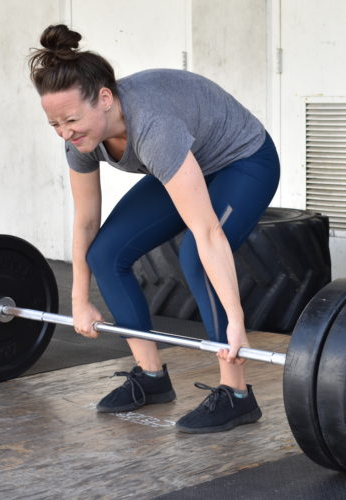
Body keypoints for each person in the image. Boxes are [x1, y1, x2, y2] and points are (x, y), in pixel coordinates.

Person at [28, 24, 280, 433]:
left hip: (243, 161)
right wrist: (78, 298)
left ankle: (236, 394)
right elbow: (87, 220)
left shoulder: (153, 128)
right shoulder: (78, 140)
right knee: (106, 255)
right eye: (55, 125)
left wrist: (236, 320)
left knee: (195, 257)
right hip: (189, 159)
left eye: (71, 120)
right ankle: (151, 377)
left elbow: (208, 233)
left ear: (105, 99)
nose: (66, 133)